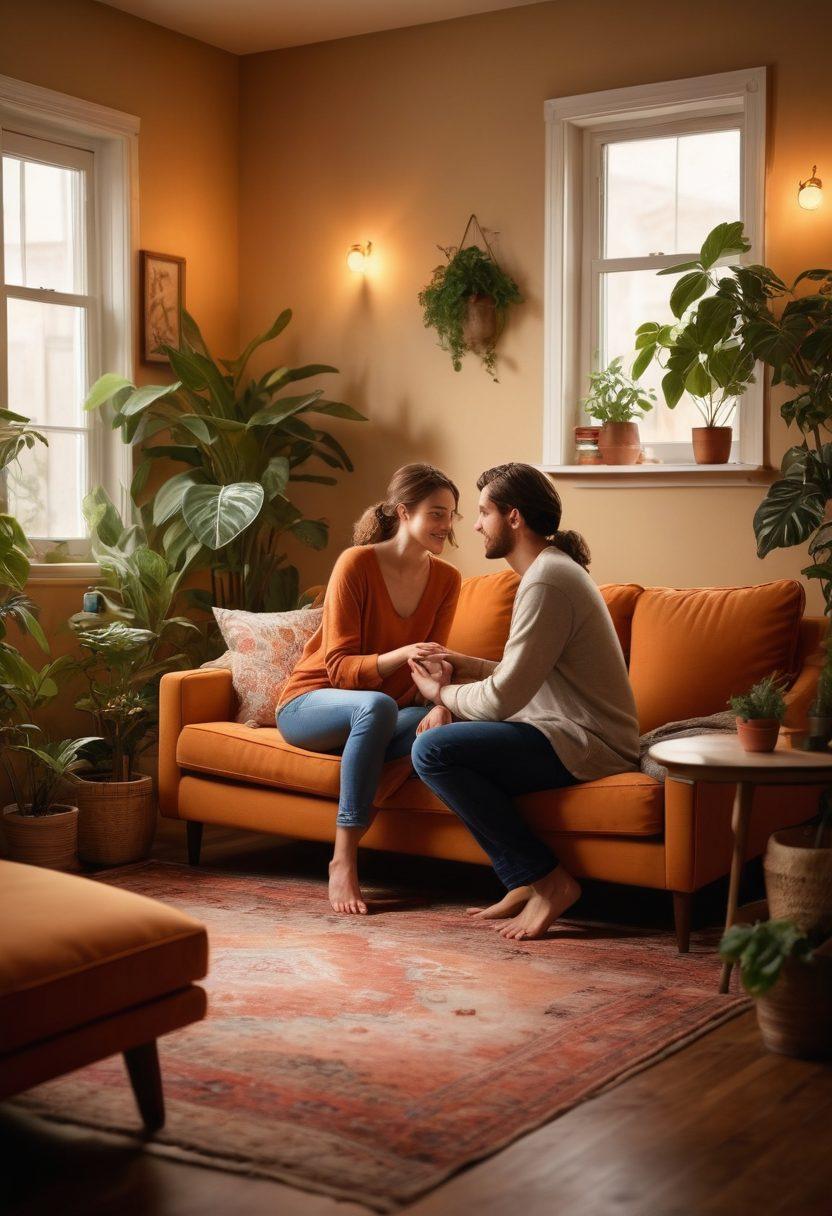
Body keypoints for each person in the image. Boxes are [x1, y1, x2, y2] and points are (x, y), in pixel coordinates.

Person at [409, 462, 639, 941]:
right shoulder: (548, 571)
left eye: (482, 512)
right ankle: (523, 879)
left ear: (513, 518)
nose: (472, 525)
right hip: (562, 729)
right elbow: (523, 677)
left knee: (433, 750)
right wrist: (462, 663)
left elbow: (502, 699)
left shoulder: (547, 581)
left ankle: (551, 883)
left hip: (587, 741)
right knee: (453, 749)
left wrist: (440, 693)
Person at [277, 464, 462, 915]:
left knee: (440, 730)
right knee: (376, 708)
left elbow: (432, 660)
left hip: (383, 713)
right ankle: (343, 858)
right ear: (404, 512)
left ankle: (375, 753)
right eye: (437, 514)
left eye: (452, 515)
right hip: (310, 706)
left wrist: (441, 704)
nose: (448, 526)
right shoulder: (356, 564)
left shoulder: (447, 579)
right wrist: (401, 655)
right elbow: (338, 669)